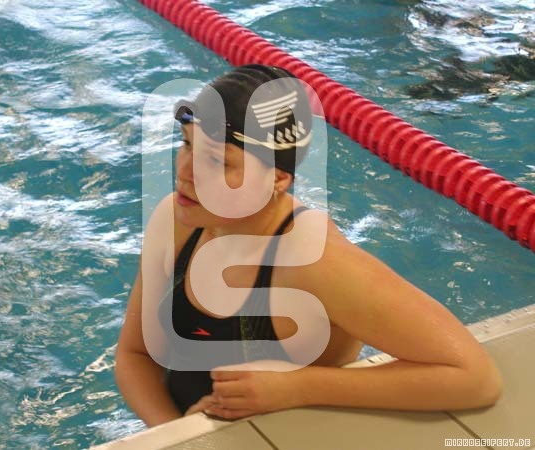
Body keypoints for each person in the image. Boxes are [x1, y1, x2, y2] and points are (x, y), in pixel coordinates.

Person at [115, 64, 502, 427]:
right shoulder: (178, 220)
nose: (184, 173)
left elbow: (474, 377)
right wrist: (178, 435)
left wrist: (297, 387)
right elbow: (135, 355)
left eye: (217, 162)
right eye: (187, 146)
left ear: (278, 178)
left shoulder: (313, 261)